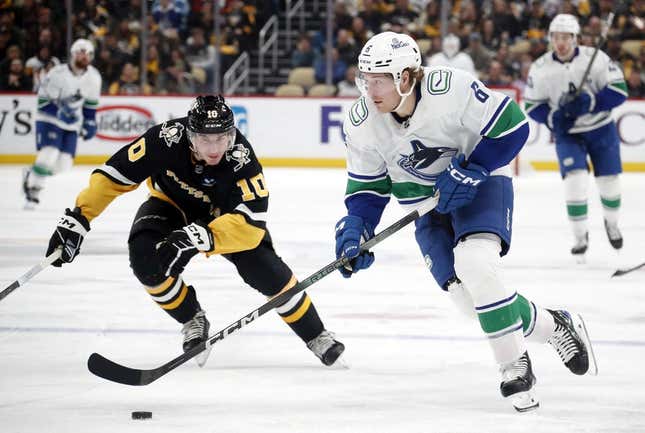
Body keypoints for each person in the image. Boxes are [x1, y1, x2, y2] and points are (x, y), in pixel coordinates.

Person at [335, 31, 597, 412]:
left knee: (476, 265)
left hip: (481, 184)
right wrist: (357, 226)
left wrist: (473, 168)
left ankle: (513, 366)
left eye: (380, 80)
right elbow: (368, 187)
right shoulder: (362, 120)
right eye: (366, 79)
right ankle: (553, 325)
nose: (370, 89)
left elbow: (513, 125)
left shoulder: (449, 88)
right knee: (466, 298)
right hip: (426, 205)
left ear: (406, 77)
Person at [44, 95, 345, 368]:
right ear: (190, 135)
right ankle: (192, 318)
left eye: (222, 139)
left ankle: (315, 334)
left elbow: (252, 223)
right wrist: (79, 218)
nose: (214, 149)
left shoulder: (242, 158)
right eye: (205, 140)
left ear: (231, 134)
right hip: (171, 205)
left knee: (266, 272)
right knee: (145, 259)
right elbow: (116, 174)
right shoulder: (166, 139)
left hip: (227, 221)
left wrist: (201, 238)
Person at [524, 14, 628, 261]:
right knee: (575, 181)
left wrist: (591, 102)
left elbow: (619, 91)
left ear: (575, 38)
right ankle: (580, 237)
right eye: (556, 37)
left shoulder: (597, 58)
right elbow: (532, 105)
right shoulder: (539, 68)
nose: (561, 43)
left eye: (566, 37)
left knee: (609, 182)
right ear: (550, 38)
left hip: (601, 128)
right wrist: (553, 119)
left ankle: (612, 223)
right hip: (568, 135)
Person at [22, 38, 101, 209]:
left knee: (64, 165)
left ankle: (31, 173)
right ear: (73, 54)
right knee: (49, 154)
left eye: (88, 54)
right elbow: (43, 101)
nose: (84, 56)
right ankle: (33, 190)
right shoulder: (57, 73)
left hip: (71, 124)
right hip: (48, 120)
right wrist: (60, 113)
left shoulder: (94, 77)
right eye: (81, 52)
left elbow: (89, 105)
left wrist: (90, 122)